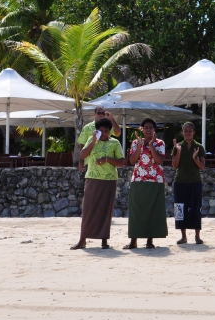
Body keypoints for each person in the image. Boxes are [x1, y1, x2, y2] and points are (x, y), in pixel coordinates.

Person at [71, 117, 125, 250]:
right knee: (88, 209)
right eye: (101, 131)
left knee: (105, 209)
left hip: (109, 180)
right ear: (97, 131)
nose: (104, 133)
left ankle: (104, 240)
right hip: (92, 178)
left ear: (110, 131)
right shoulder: (91, 139)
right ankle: (82, 240)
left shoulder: (115, 143)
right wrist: (93, 141)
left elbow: (122, 162)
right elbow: (83, 155)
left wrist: (107, 159)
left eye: (106, 131)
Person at [125, 118, 168, 249]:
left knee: (153, 211)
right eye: (146, 127)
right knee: (136, 211)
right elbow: (132, 161)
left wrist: (151, 145)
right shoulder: (135, 142)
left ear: (154, 130)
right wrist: (140, 145)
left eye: (151, 127)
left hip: (155, 181)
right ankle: (133, 241)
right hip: (138, 180)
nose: (148, 129)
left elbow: (159, 160)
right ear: (141, 129)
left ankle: (150, 241)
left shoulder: (160, 143)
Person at [171, 121, 206, 245]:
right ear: (182, 132)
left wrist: (195, 158)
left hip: (195, 181)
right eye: (185, 131)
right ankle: (183, 236)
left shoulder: (199, 147)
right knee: (180, 209)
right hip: (180, 182)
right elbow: (175, 165)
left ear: (194, 132)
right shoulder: (177, 146)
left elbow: (202, 167)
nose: (188, 133)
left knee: (196, 208)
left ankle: (197, 236)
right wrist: (179, 151)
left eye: (190, 131)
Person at [78, 107, 122, 173]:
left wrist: (111, 119)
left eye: (103, 113)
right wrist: (81, 161)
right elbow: (82, 145)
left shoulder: (107, 127)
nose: (101, 115)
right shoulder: (87, 127)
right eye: (99, 113)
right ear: (94, 114)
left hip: (105, 162)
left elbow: (118, 133)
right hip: (90, 162)